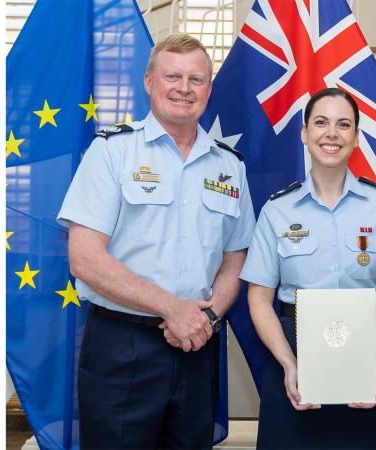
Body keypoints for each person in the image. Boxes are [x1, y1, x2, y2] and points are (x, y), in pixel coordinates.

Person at [56, 33, 255, 449]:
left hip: (197, 344)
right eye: (173, 76)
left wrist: (209, 316)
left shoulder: (229, 166)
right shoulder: (112, 153)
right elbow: (84, 257)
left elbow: (236, 258)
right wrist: (172, 309)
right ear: (149, 82)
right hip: (121, 347)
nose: (184, 88)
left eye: (196, 79)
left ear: (209, 89)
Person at [239, 87, 376, 449]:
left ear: (356, 136)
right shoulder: (278, 210)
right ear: (305, 133)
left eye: (343, 124)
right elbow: (259, 298)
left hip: (368, 357)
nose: (331, 134)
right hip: (294, 357)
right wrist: (289, 364)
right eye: (320, 123)